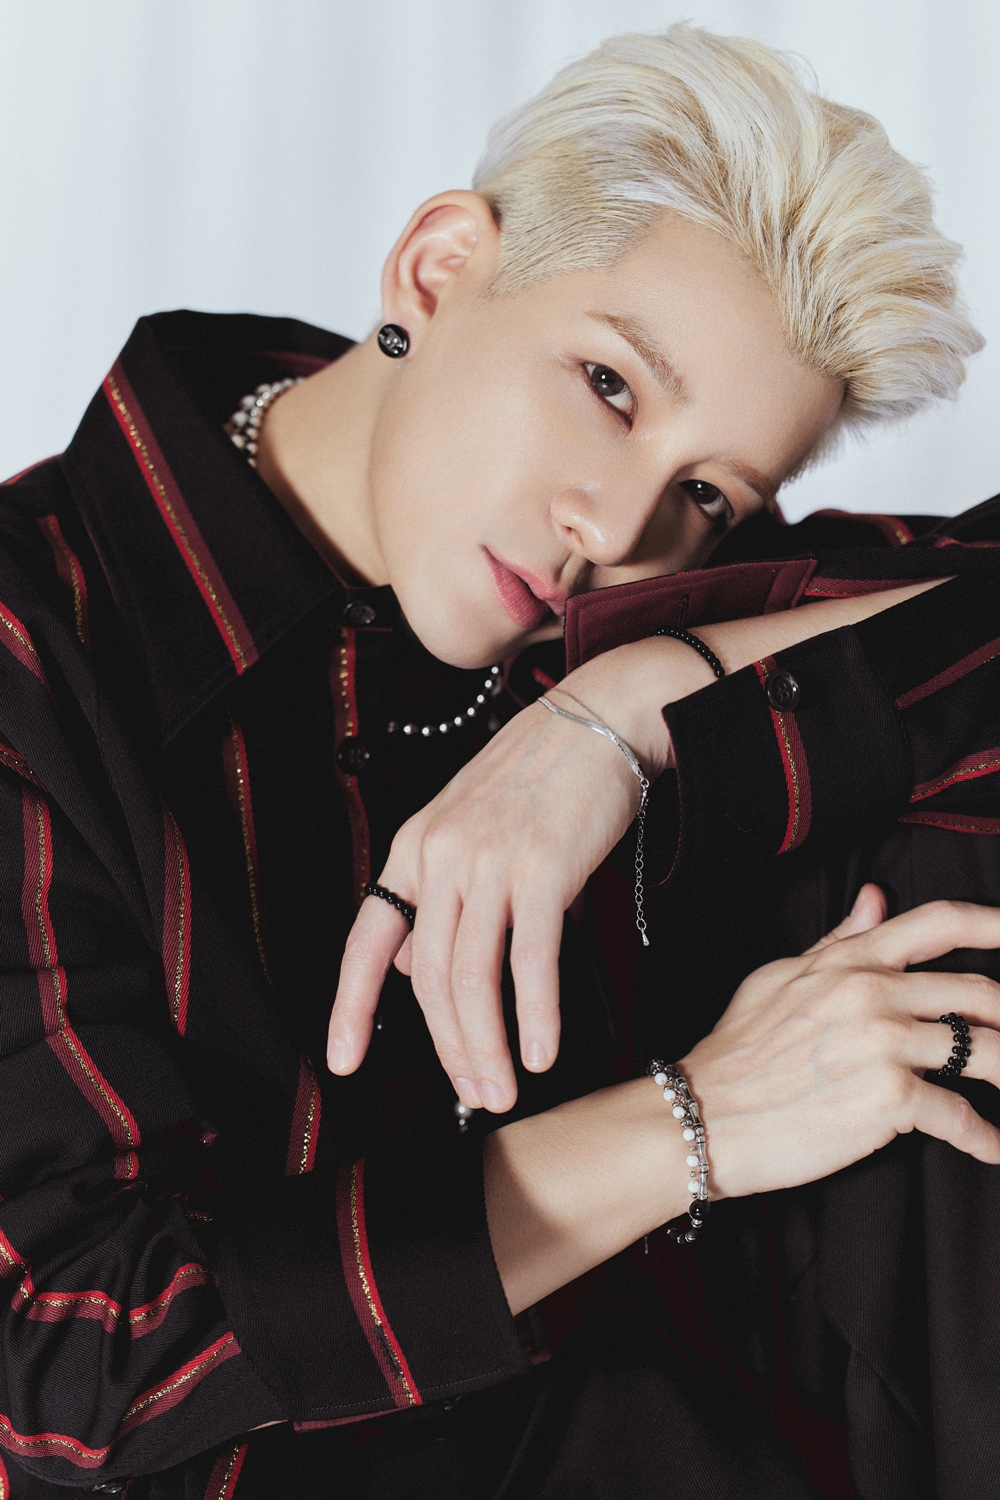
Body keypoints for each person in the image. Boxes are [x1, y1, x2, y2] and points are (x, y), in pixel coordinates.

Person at [0, 23, 997, 1500]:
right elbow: (69, 1348)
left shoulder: (626, 616)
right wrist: (702, 1123)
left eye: (710, 495)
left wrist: (630, 709)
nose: (619, 527)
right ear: (438, 267)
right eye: (608, 383)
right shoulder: (39, 640)